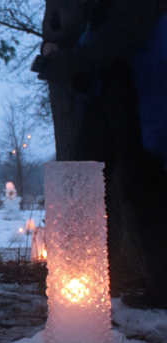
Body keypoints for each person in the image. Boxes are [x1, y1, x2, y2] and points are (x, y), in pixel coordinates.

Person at [36, 0, 167, 308]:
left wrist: (72, 62)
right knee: (84, 181)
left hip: (137, 89)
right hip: (105, 90)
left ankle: (161, 285)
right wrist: (63, 60)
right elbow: (97, 41)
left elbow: (121, 34)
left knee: (143, 184)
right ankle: (82, 279)